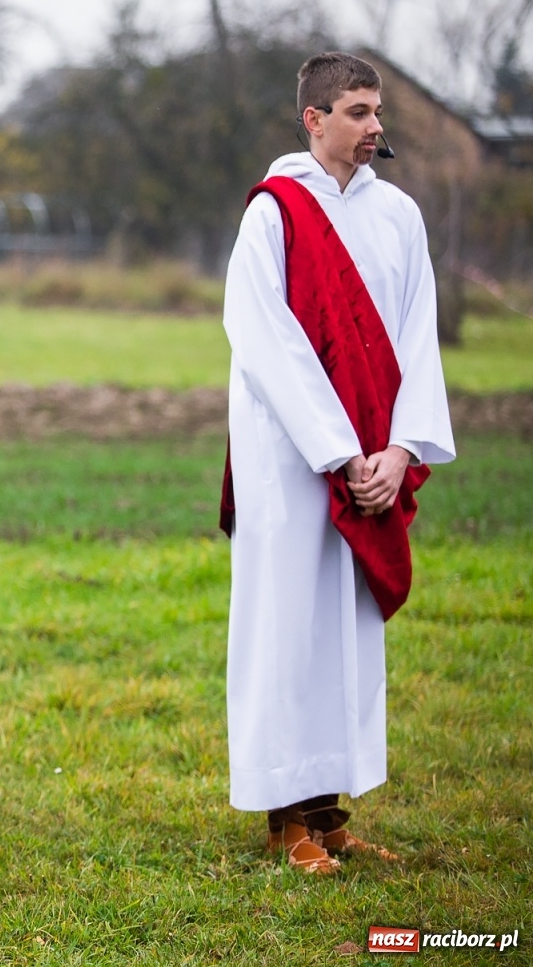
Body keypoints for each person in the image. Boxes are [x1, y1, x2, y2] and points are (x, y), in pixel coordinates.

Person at [220, 51, 455, 874]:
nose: (375, 126)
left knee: (347, 635)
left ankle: (331, 808)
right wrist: (338, 449)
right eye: (357, 111)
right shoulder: (274, 213)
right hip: (290, 459)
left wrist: (400, 448)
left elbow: (417, 335)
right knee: (289, 626)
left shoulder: (399, 217)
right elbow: (264, 342)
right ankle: (286, 818)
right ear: (314, 120)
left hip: (374, 459)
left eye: (377, 110)